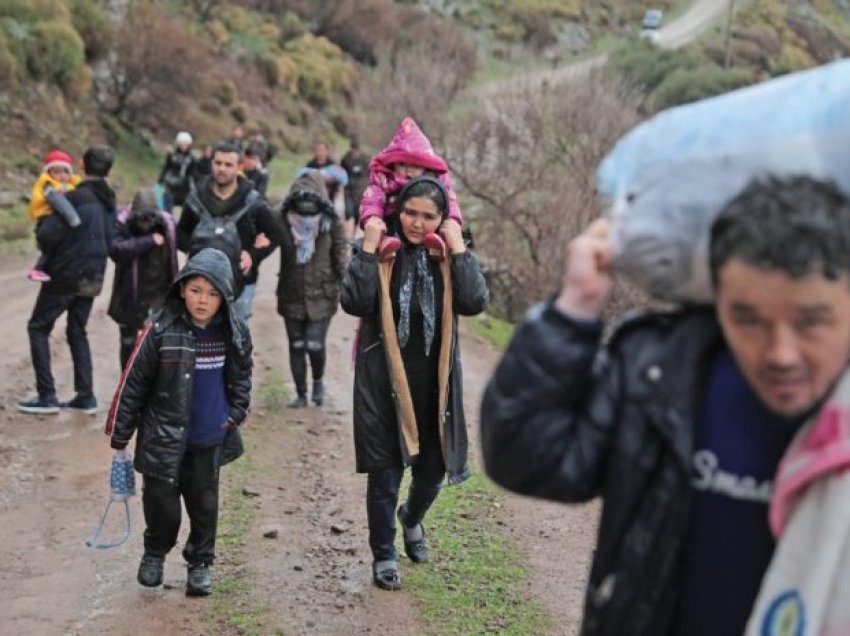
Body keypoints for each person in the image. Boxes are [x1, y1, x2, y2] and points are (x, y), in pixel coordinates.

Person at [480, 176, 850, 636]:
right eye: (747, 319)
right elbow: (526, 459)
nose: (780, 354)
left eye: (811, 321)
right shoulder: (662, 370)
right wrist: (574, 309)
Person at [341, 175, 489, 591]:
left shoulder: (446, 254)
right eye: (410, 213)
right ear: (396, 211)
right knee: (385, 476)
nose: (417, 223)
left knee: (432, 473)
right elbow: (354, 301)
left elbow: (475, 301)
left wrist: (458, 247)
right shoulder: (381, 251)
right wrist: (368, 249)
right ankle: (384, 555)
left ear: (443, 220)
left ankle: (411, 519)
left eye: (429, 216)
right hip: (385, 382)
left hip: (434, 389)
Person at [106, 247, 252, 597]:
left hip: (207, 439)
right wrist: (121, 434)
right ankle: (154, 554)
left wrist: (235, 413)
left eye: (213, 293)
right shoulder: (159, 330)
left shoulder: (233, 332)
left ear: (225, 297)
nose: (203, 300)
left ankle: (201, 563)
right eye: (196, 290)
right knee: (161, 506)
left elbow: (242, 375)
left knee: (204, 506)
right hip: (161, 439)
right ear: (182, 289)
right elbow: (133, 384)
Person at [18, 146, 116, 415]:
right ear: (109, 170)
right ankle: (86, 396)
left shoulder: (71, 199)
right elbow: (112, 237)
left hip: (65, 274)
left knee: (38, 327)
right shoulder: (108, 202)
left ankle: (47, 396)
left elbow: (48, 236)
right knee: (77, 330)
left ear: (83, 165)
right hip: (94, 274)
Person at [177, 141, 281, 322]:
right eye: (218, 163)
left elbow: (276, 234)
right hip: (200, 283)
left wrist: (253, 255)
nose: (222, 169)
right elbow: (181, 232)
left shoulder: (253, 201)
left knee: (238, 343)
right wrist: (190, 249)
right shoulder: (196, 197)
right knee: (199, 342)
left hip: (241, 282)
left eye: (228, 164)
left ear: (239, 166)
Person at [276, 170, 349, 408]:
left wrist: (349, 282)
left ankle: (318, 381)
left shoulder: (332, 222)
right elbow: (262, 233)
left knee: (315, 344)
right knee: (296, 345)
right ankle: (300, 393)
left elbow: (341, 253)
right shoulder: (283, 219)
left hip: (323, 294)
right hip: (291, 292)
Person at [359, 117, 463, 262]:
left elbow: (450, 200)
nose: (407, 170)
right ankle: (384, 244)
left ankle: (440, 244)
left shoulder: (435, 182)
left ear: (425, 165)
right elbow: (371, 200)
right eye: (401, 164)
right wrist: (373, 218)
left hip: (429, 230)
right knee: (378, 228)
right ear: (393, 163)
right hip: (390, 223)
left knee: (439, 222)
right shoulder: (385, 179)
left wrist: (453, 220)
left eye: (414, 165)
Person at [107, 188, 178, 369]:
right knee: (128, 342)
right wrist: (148, 241)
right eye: (141, 219)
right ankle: (127, 383)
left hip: (158, 292)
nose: (145, 224)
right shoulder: (123, 222)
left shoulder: (167, 223)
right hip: (129, 293)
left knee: (158, 343)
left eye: (149, 219)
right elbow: (115, 250)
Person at [26, 149, 83, 282]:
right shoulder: (48, 186)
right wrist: (74, 220)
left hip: (56, 219)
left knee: (55, 247)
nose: (61, 175)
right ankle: (38, 268)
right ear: (49, 173)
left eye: (65, 171)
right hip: (46, 218)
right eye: (56, 172)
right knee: (49, 247)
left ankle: (46, 268)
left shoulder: (71, 184)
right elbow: (60, 201)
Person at [157, 131, 196, 213]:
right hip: (170, 183)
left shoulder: (191, 159)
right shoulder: (172, 155)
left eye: (186, 144)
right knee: (167, 206)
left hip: (183, 187)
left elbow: (192, 173)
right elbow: (166, 167)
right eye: (182, 144)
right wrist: (160, 179)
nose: (184, 146)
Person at [340, 136, 370, 238]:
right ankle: (348, 235)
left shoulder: (366, 159)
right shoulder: (346, 159)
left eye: (356, 148)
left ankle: (353, 234)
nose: (355, 151)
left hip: (361, 191)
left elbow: (370, 174)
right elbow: (341, 172)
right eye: (353, 148)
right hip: (348, 190)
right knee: (348, 213)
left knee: (357, 215)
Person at [304, 139, 347, 204]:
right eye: (317, 150)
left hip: (329, 200)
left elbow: (343, 179)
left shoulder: (333, 166)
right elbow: (302, 178)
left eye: (321, 150)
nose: (319, 153)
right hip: (313, 200)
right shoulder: (309, 166)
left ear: (327, 151)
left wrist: (331, 181)